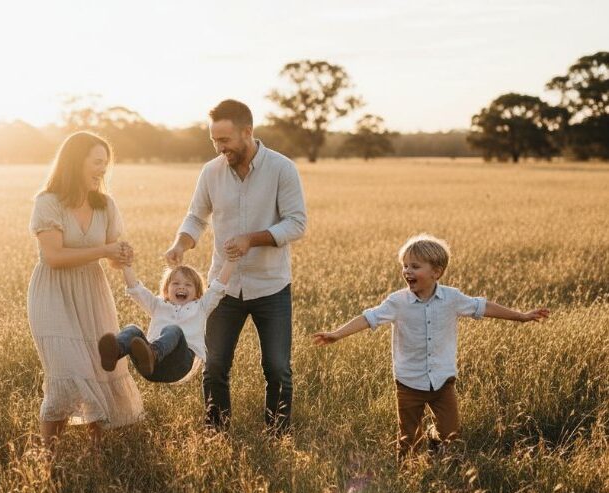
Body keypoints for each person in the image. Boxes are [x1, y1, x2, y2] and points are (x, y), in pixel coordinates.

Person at [313, 233, 550, 460]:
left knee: (451, 434)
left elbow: (483, 306)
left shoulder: (452, 298)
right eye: (405, 266)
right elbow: (368, 318)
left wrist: (521, 316)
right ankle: (405, 473)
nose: (407, 271)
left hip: (442, 381)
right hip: (408, 382)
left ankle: (434, 438)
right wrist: (336, 334)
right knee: (408, 439)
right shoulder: (398, 302)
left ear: (436, 272)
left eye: (415, 266)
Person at [164, 99, 307, 433]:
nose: (219, 147)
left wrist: (251, 239)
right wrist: (180, 243)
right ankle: (216, 430)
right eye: (214, 140)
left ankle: (278, 434)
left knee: (277, 367)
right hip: (223, 288)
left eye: (225, 140)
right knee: (214, 365)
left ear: (248, 132)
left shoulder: (281, 169)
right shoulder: (211, 171)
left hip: (271, 285)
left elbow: (297, 223)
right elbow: (196, 216)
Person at [27, 131, 143, 451]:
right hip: (53, 296)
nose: (102, 169)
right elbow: (54, 256)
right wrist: (106, 250)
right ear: (75, 162)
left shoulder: (106, 205)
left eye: (105, 164)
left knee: (97, 367)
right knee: (65, 371)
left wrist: (121, 256)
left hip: (93, 293)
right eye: (96, 162)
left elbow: (113, 255)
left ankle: (97, 453)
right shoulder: (47, 202)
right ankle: (48, 456)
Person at [98, 259, 236, 384]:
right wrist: (126, 266)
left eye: (188, 285)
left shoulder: (201, 306)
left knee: (173, 329)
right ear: (166, 289)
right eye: (176, 283)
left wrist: (230, 260)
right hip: (150, 368)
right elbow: (136, 290)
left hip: (180, 364)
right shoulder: (158, 305)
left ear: (197, 293)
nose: (181, 287)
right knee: (132, 329)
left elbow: (218, 288)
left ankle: (154, 353)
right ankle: (115, 351)